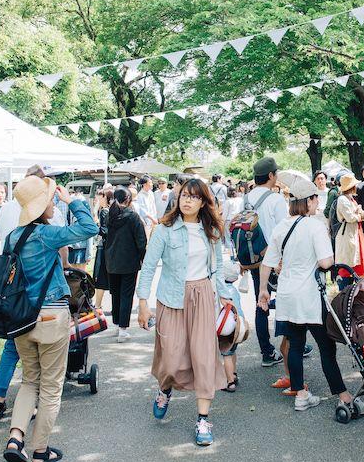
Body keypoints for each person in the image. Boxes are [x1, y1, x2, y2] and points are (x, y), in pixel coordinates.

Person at [2, 176, 97, 462]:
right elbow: (89, 228)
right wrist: (73, 201)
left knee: (29, 381)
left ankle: (15, 438)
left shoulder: (13, 237)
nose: (53, 203)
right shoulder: (46, 234)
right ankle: (40, 450)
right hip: (51, 317)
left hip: (22, 320)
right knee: (52, 387)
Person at [136, 178, 236, 447]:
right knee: (171, 357)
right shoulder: (164, 230)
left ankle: (203, 419)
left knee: (203, 357)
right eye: (184, 196)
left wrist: (224, 296)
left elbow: (216, 268)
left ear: (203, 201)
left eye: (193, 197)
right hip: (171, 298)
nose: (187, 200)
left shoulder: (210, 230)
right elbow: (148, 267)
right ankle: (165, 387)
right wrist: (142, 302)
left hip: (202, 296)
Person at [258, 180, 362, 413]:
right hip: (310, 297)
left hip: (287, 294)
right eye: (315, 199)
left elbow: (268, 263)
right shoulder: (315, 226)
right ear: (308, 201)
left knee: (295, 344)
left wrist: (263, 290)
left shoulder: (282, 227)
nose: (317, 203)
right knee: (326, 347)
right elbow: (326, 262)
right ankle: (343, 395)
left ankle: (301, 395)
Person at [241, 157, 289, 367]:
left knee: (260, 302)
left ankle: (266, 352)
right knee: (287, 300)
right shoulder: (276, 199)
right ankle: (292, 344)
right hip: (275, 259)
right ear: (271, 175)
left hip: (254, 259)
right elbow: (284, 231)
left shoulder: (246, 198)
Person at [97, 187, 146, 342]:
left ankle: (117, 323)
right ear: (128, 199)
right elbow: (141, 240)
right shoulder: (132, 216)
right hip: (129, 261)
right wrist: (143, 257)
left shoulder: (109, 215)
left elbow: (104, 234)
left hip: (111, 260)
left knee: (116, 293)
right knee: (126, 294)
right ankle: (122, 329)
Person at [334, 174, 364, 285]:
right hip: (346, 235)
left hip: (353, 233)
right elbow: (351, 217)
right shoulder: (342, 199)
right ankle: (344, 289)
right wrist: (359, 215)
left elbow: (362, 214)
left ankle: (350, 289)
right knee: (346, 263)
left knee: (353, 261)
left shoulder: (351, 198)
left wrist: (359, 214)